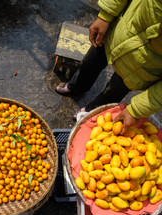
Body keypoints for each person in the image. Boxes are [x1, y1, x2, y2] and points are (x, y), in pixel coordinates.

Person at [55, 0, 162, 133]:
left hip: (144, 67)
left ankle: (90, 111)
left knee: (113, 91)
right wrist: (105, 15)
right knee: (89, 63)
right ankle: (76, 86)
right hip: (119, 32)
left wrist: (137, 109)